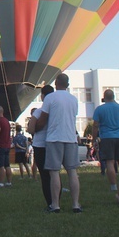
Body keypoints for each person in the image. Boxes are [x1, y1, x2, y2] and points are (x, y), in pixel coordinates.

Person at [35, 73, 82, 214]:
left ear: (56, 83)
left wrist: (35, 129)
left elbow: (43, 118)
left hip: (54, 138)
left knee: (54, 172)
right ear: (67, 85)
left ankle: (55, 205)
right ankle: (75, 204)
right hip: (70, 138)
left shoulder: (50, 97)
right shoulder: (74, 100)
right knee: (72, 172)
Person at [92, 89, 119, 191]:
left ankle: (113, 186)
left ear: (104, 97)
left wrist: (94, 139)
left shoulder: (99, 109)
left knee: (110, 162)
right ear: (114, 97)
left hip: (107, 137)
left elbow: (95, 125)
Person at [27, 86, 55, 209]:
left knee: (44, 175)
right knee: (54, 174)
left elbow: (31, 129)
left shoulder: (39, 111)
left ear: (43, 96)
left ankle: (50, 202)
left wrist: (36, 128)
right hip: (54, 143)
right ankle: (56, 200)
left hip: (40, 145)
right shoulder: (56, 111)